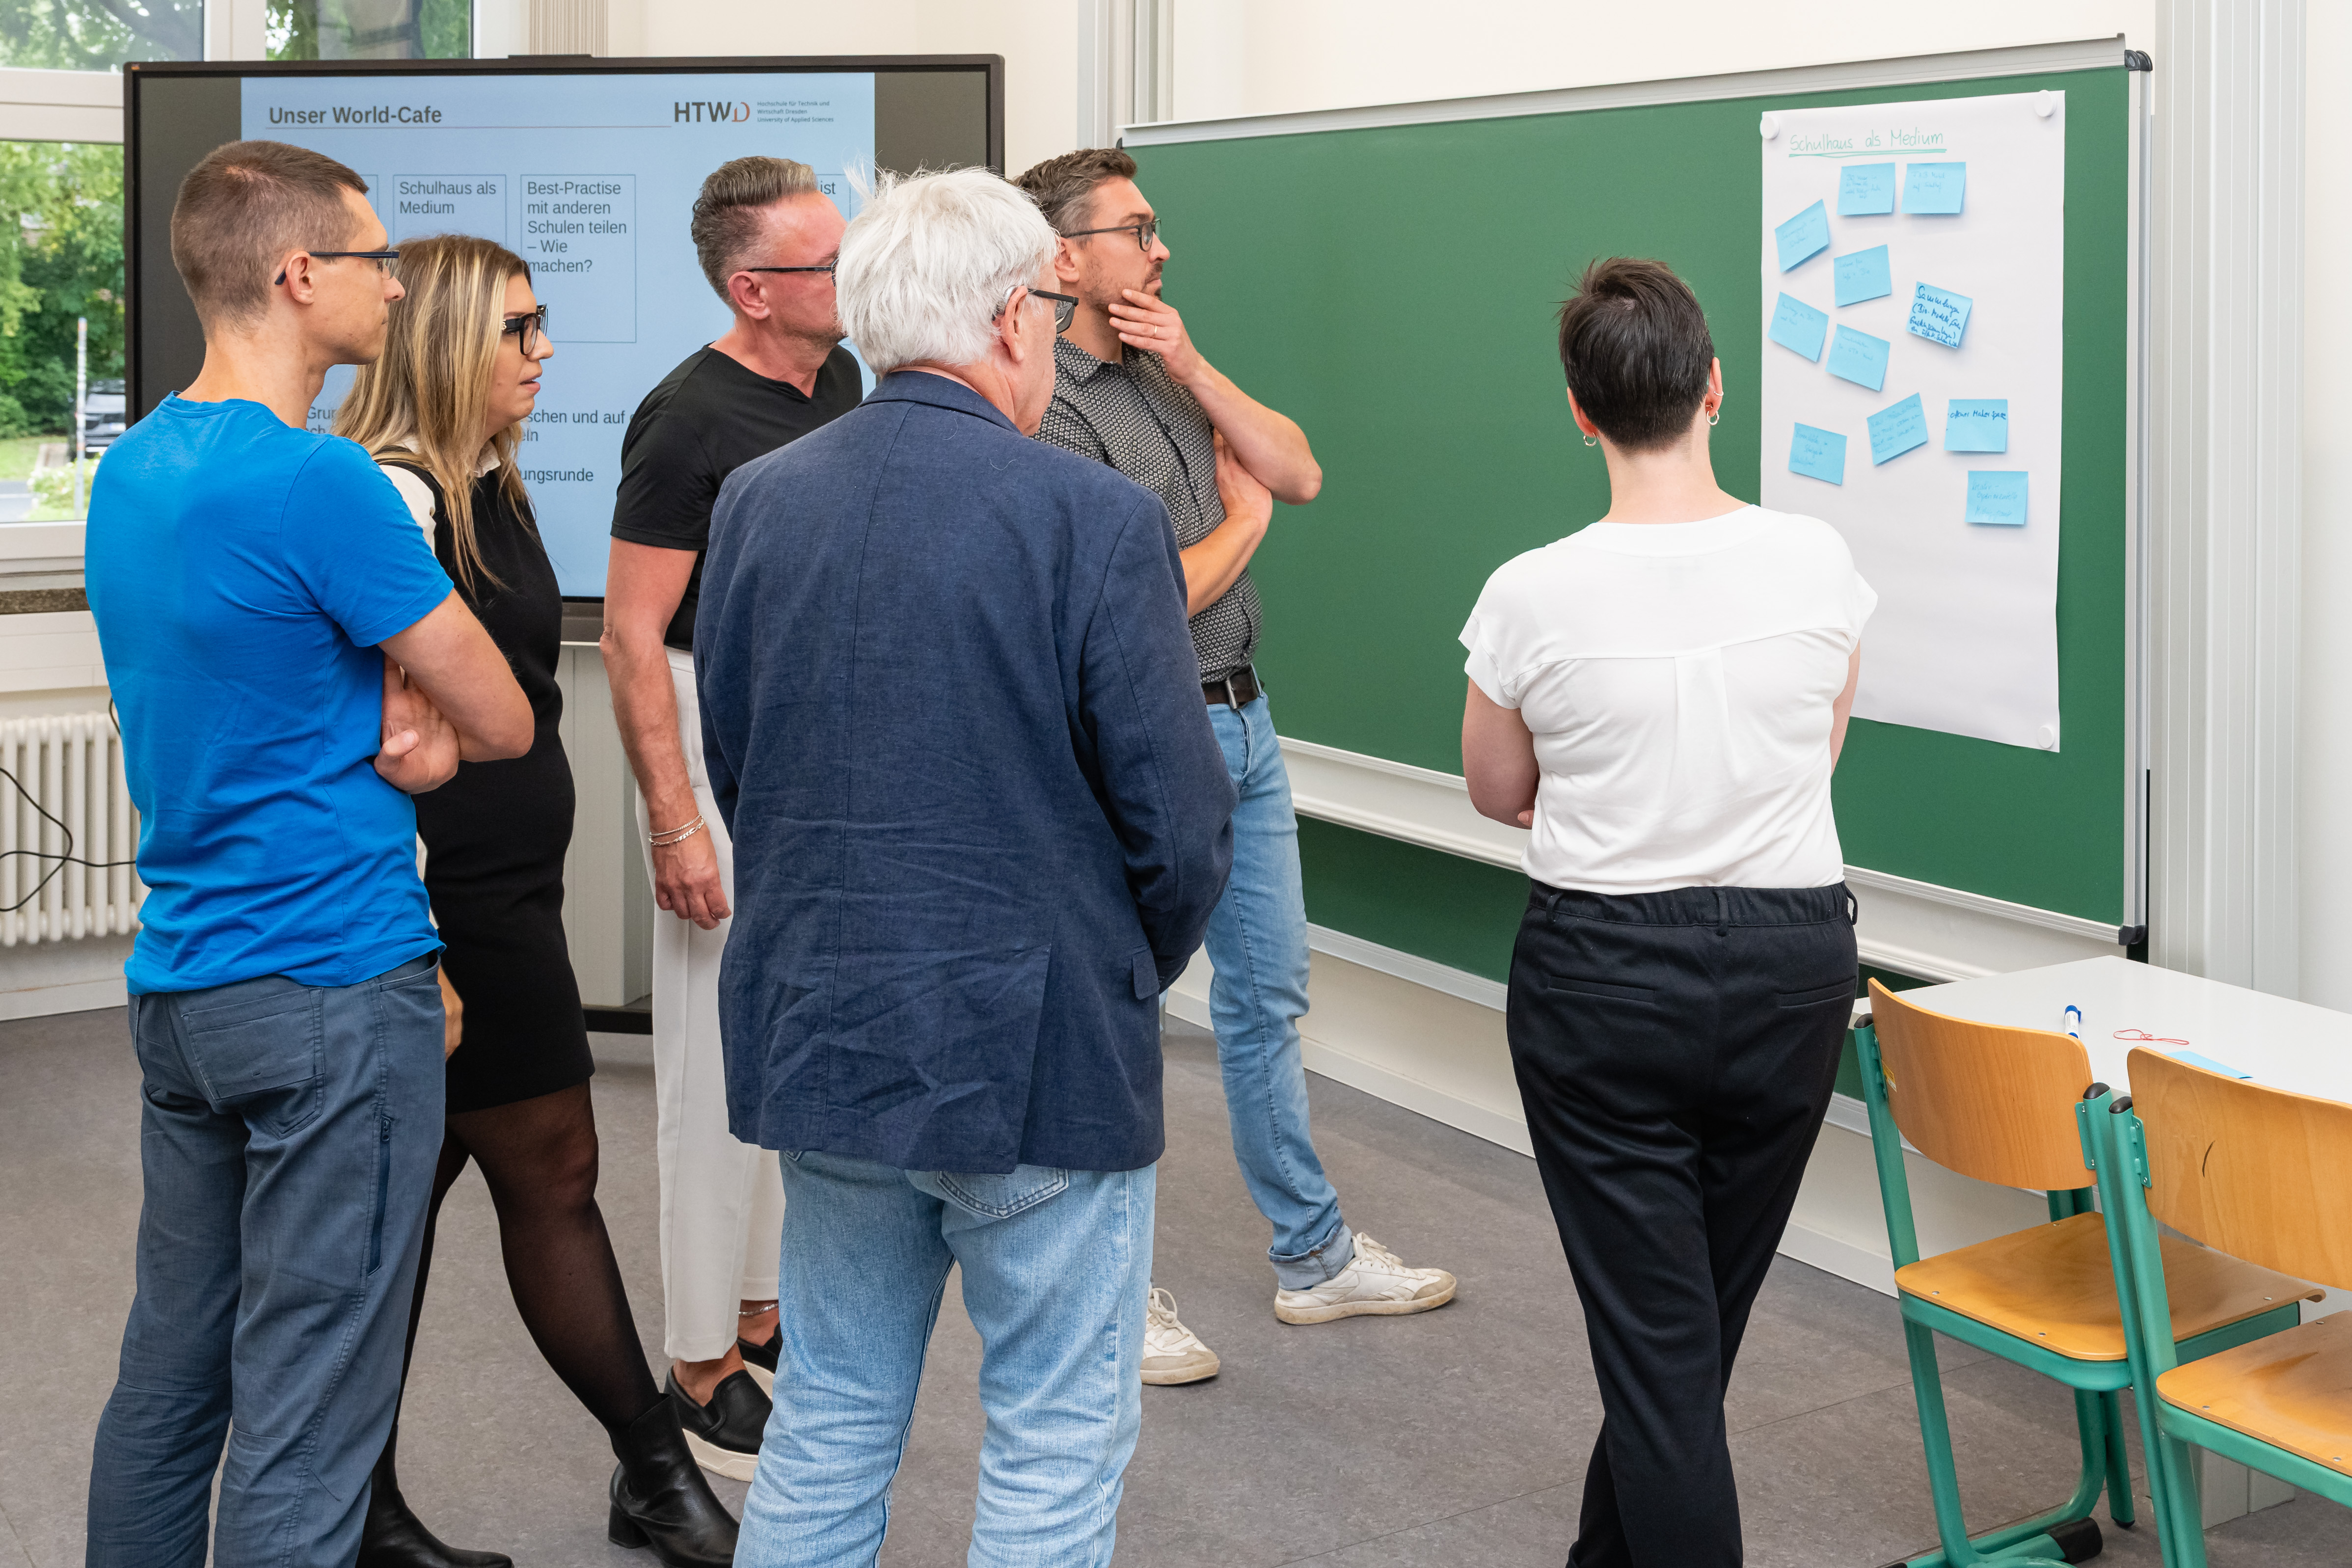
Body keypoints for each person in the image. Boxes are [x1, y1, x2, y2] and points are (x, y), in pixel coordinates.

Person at [698, 166, 1235, 1565]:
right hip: (1040, 1058)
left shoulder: (756, 500)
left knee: (827, 1418)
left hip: (826, 1034)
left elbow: (745, 764)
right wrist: (1122, 967)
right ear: (1011, 318)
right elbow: (1179, 827)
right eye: (1050, 314)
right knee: (1055, 1441)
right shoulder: (1093, 519)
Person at [81, 141, 533, 1568]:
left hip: (185, 987)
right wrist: (426, 737)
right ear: (297, 277)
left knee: (175, 1363)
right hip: (334, 988)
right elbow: (505, 715)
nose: (399, 289)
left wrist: (392, 716)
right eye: (377, 261)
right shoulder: (321, 486)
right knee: (310, 1393)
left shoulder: (133, 467)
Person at [1015, 147, 1454, 1384]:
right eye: (1135, 230)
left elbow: (1299, 465)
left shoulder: (1162, 369)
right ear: (1063, 258)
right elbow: (1139, 603)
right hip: (1147, 733)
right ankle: (1116, 1289)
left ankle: (1310, 1258)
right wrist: (1245, 520)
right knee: (1122, 1014)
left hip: (1245, 722)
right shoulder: (1044, 404)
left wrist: (1193, 362)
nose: (1159, 250)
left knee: (1267, 998)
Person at [1459, 257, 1873, 1568]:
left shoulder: (1532, 590)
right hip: (1794, 968)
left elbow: (1495, 789)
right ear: (1714, 390)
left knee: (1660, 1357)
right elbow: (1819, 751)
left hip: (1606, 978)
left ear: (1580, 412)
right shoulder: (1817, 559)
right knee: (1682, 1345)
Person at [335, 234, 738, 1568]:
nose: (543, 347)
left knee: (410, 1209)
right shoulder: (396, 497)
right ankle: (654, 1469)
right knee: (554, 1172)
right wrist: (419, 943)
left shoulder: (488, 486)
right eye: (518, 326)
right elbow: (369, 747)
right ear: (449, 341)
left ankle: (366, 1507)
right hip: (449, 913)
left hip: (510, 895)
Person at [601, 155, 861, 1479]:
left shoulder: (846, 387)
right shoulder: (686, 417)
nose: (853, 275)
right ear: (754, 290)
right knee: (708, 1062)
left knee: (787, 1047)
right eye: (825, 263)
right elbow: (633, 635)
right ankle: (700, 1353)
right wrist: (671, 821)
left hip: (810, 757)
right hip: (712, 744)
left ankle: (759, 1311)